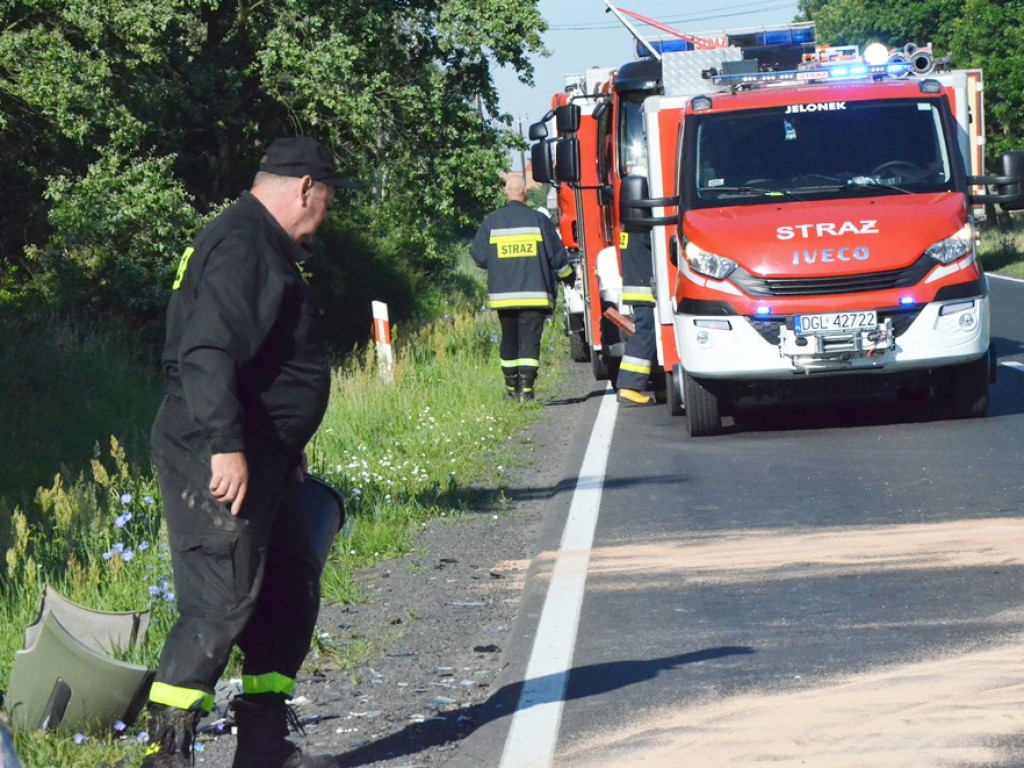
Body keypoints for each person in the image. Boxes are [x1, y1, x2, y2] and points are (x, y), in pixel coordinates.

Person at [142, 136, 345, 768]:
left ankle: (263, 744)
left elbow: (266, 361)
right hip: (216, 451)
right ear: (304, 187)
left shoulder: (259, 242)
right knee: (219, 603)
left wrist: (284, 446)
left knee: (287, 587)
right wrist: (226, 447)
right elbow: (205, 353)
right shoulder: (243, 244)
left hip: (265, 454)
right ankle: (166, 752)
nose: (324, 219)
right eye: (327, 203)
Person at [472, 174, 574, 401]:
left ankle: (511, 389)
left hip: (503, 296)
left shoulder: (492, 221)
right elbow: (556, 256)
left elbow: (478, 256)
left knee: (509, 338)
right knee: (530, 339)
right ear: (525, 192)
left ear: (506, 193)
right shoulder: (538, 220)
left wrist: (499, 261)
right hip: (534, 294)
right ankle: (526, 390)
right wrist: (568, 276)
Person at [616, 227, 660, 405]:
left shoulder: (631, 226)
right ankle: (629, 385)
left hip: (639, 287)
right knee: (646, 332)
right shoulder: (641, 230)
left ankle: (660, 386)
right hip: (644, 289)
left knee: (655, 333)